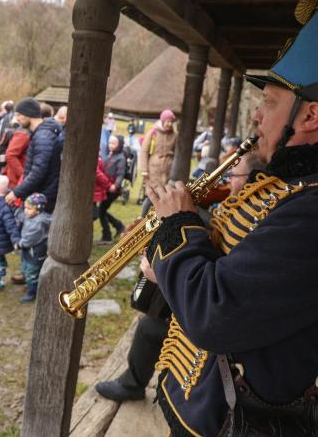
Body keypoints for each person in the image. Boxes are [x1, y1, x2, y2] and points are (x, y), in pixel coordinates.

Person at [140, 0, 318, 435]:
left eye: (270, 103)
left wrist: (178, 228)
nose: (258, 117)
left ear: (310, 115)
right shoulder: (312, 186)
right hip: (214, 406)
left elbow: (216, 314)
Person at [95, 152, 262, 403]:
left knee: (150, 326)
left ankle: (133, 385)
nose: (226, 182)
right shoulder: (236, 204)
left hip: (218, 319)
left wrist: (162, 262)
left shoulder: (251, 217)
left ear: (253, 179)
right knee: (152, 317)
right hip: (207, 303)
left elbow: (215, 261)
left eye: (232, 175)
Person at [5, 98, 64, 212]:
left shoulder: (43, 137)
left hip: (43, 198)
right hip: (41, 194)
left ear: (28, 114)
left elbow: (38, 172)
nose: (17, 119)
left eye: (19, 115)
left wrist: (16, 192)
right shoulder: (41, 133)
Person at [139, 109, 177, 216]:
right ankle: (142, 217)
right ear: (163, 121)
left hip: (168, 169)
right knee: (152, 194)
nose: (169, 124)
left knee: (165, 194)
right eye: (167, 121)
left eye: (171, 121)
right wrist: (145, 171)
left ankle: (160, 217)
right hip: (154, 168)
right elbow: (144, 151)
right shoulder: (153, 133)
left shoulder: (174, 135)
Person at [16, 193, 51, 303]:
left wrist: (20, 244)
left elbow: (29, 239)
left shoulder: (38, 222)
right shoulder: (31, 215)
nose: (26, 211)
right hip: (29, 251)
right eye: (25, 207)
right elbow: (20, 215)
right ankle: (30, 285)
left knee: (32, 272)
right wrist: (19, 207)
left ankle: (32, 292)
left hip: (35, 252)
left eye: (29, 208)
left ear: (38, 209)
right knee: (26, 268)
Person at [96, 135, 126, 243]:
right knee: (101, 211)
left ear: (119, 145)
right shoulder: (110, 155)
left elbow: (120, 174)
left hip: (113, 189)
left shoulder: (121, 158)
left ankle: (107, 235)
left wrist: (116, 185)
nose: (111, 145)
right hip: (107, 187)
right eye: (110, 143)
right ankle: (119, 226)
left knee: (101, 211)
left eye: (114, 143)